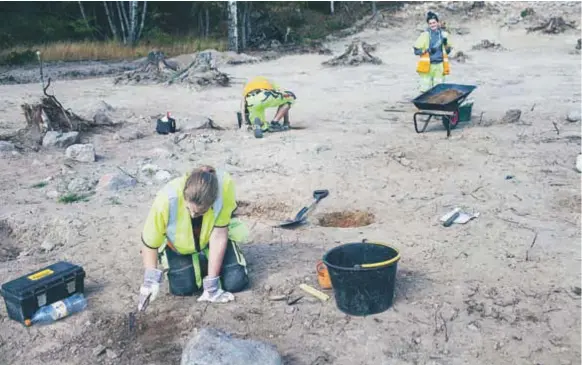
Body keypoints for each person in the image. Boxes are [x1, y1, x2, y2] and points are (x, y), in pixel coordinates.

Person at [137, 165, 249, 309]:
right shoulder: (166, 200)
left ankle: (210, 264)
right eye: (189, 209)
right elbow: (150, 244)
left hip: (210, 240)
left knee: (235, 281)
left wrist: (212, 286)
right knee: (183, 288)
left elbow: (219, 234)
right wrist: (150, 281)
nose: (192, 215)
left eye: (199, 213)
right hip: (179, 247)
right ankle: (198, 263)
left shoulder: (224, 188)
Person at [413, 11, 453, 93]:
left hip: (440, 66)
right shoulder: (425, 35)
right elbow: (416, 51)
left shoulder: (444, 35)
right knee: (424, 90)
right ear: (428, 24)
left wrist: (445, 43)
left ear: (438, 23)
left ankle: (436, 105)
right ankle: (426, 105)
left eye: (434, 22)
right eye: (430, 23)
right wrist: (425, 51)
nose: (432, 25)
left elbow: (448, 51)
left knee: (439, 90)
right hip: (427, 66)